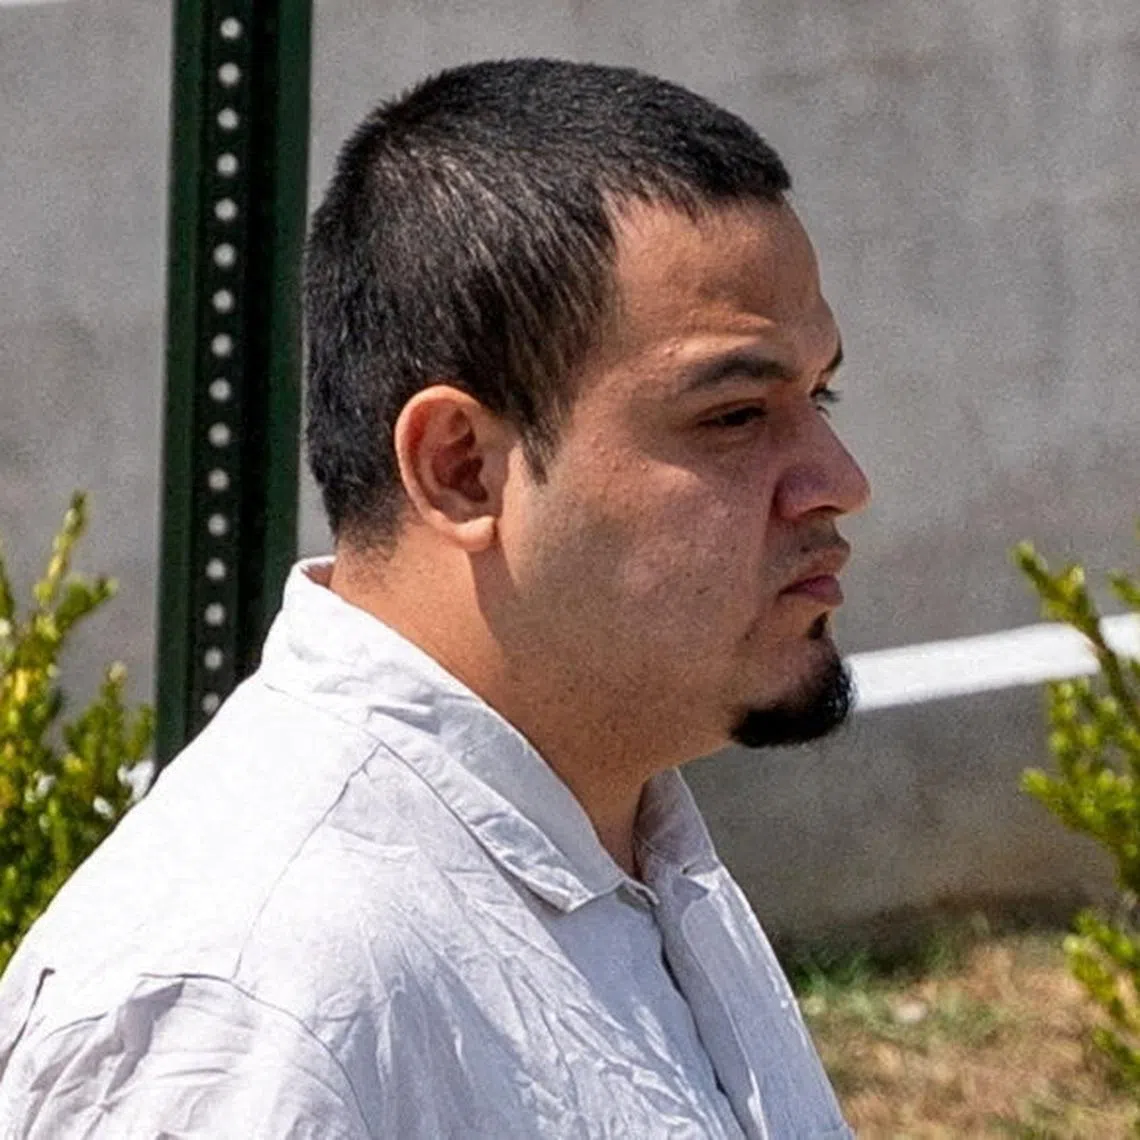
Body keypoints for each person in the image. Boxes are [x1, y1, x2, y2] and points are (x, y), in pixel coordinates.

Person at [0, 58, 869, 1138]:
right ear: (461, 466)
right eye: (736, 416)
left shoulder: (628, 844)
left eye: (818, 392)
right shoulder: (257, 1002)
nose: (839, 481)